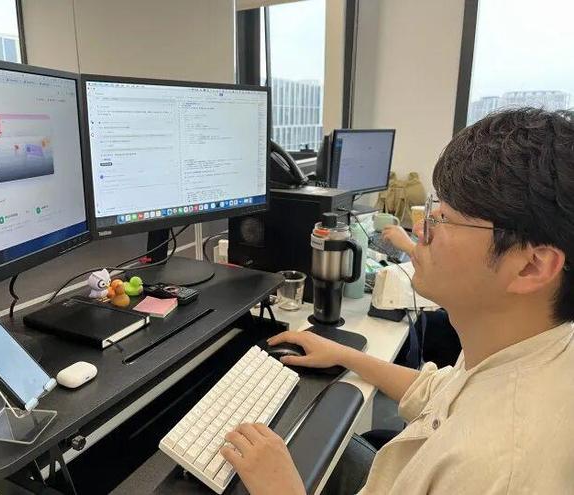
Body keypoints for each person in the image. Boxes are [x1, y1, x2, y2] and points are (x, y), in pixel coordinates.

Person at [220, 108, 574, 494]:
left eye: (444, 219)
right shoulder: (519, 343)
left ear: (531, 266)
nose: (421, 229)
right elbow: (441, 392)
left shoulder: (495, 473)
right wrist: (344, 355)